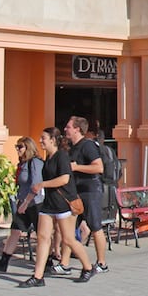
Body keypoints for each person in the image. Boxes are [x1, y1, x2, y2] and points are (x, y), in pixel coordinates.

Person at [17, 127, 95, 287]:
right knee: (42, 238)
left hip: (64, 204)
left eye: (43, 138)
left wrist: (43, 184)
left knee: (68, 239)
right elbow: (36, 186)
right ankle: (38, 277)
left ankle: (88, 267)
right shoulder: (48, 159)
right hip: (48, 204)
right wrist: (26, 202)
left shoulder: (62, 157)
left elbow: (65, 179)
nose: (40, 141)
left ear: (53, 140)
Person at [55, 116, 108, 275]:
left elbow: (99, 168)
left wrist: (77, 167)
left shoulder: (88, 146)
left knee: (95, 226)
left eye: (68, 127)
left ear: (78, 129)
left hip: (90, 190)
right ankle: (64, 264)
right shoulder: (72, 147)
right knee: (68, 229)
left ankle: (102, 263)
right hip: (75, 192)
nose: (65, 130)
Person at [0, 136, 43, 273]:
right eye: (16, 147)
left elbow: (36, 185)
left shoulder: (35, 163)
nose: (17, 150)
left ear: (28, 148)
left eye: (20, 147)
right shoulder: (22, 164)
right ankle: (4, 261)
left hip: (35, 204)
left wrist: (26, 202)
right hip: (23, 203)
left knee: (41, 234)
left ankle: (47, 262)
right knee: (15, 231)